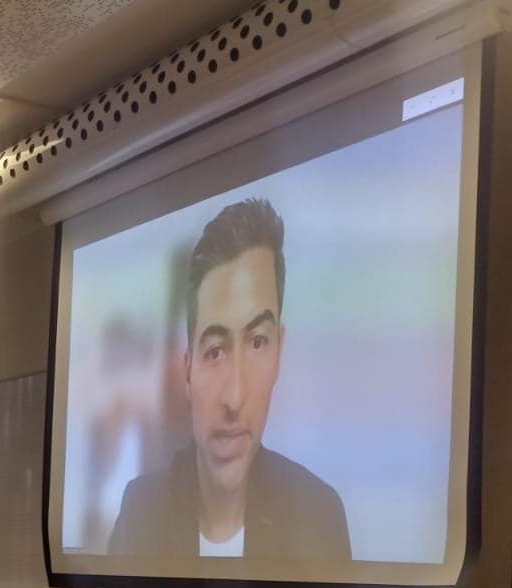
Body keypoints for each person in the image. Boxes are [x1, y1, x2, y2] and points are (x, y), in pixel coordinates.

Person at [108, 197, 352, 561]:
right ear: (187, 370)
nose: (234, 398)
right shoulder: (141, 516)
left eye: (257, 343)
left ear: (279, 351)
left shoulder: (318, 518)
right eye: (215, 351)